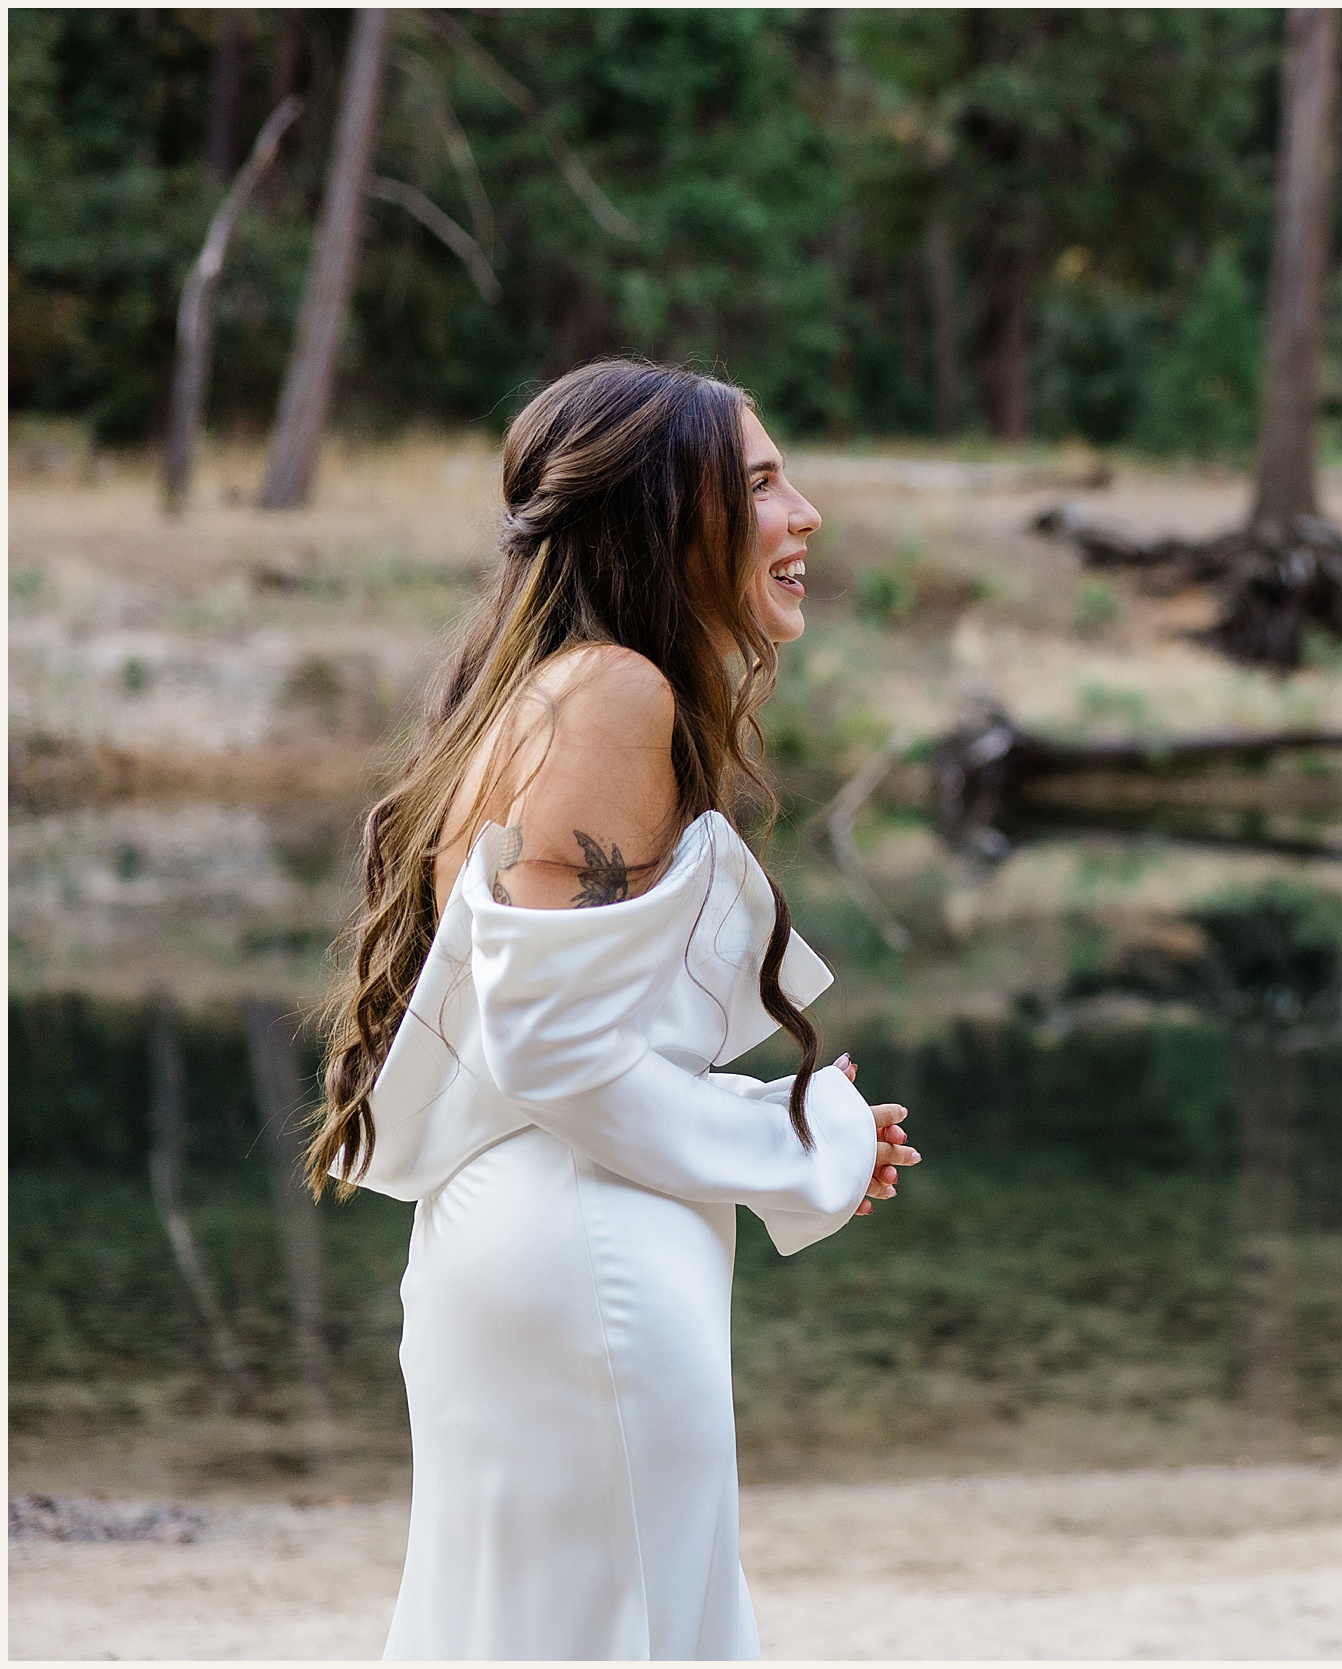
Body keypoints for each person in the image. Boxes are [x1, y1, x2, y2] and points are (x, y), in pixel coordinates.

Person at [304, 359, 919, 1660]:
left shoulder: (560, 691)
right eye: (759, 485)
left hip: (538, 1247)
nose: (805, 513)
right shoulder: (612, 694)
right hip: (584, 1267)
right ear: (661, 512)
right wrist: (796, 1144)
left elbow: (569, 1035)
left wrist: (793, 1111)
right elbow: (555, 1049)